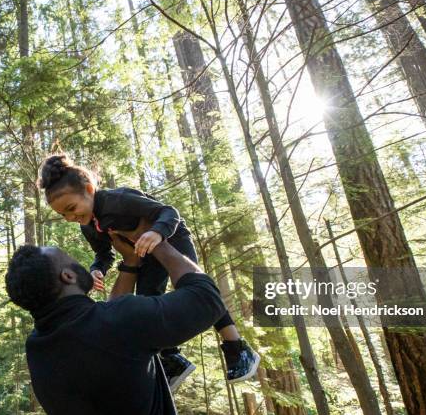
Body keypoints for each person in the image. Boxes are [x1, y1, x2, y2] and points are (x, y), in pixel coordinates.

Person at [5, 223, 225, 415]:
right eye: (69, 257)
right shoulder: (117, 323)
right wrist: (157, 242)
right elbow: (207, 299)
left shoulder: (39, 348)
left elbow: (108, 330)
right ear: (68, 275)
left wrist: (130, 265)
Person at [36, 153, 260, 390]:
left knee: (195, 288)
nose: (71, 217)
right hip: (144, 254)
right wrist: (97, 270)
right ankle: (171, 359)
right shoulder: (89, 227)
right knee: (146, 299)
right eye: (63, 215)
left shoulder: (118, 199)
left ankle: (237, 348)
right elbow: (105, 254)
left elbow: (169, 212)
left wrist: (157, 232)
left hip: (172, 238)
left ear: (90, 189)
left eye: (72, 208)